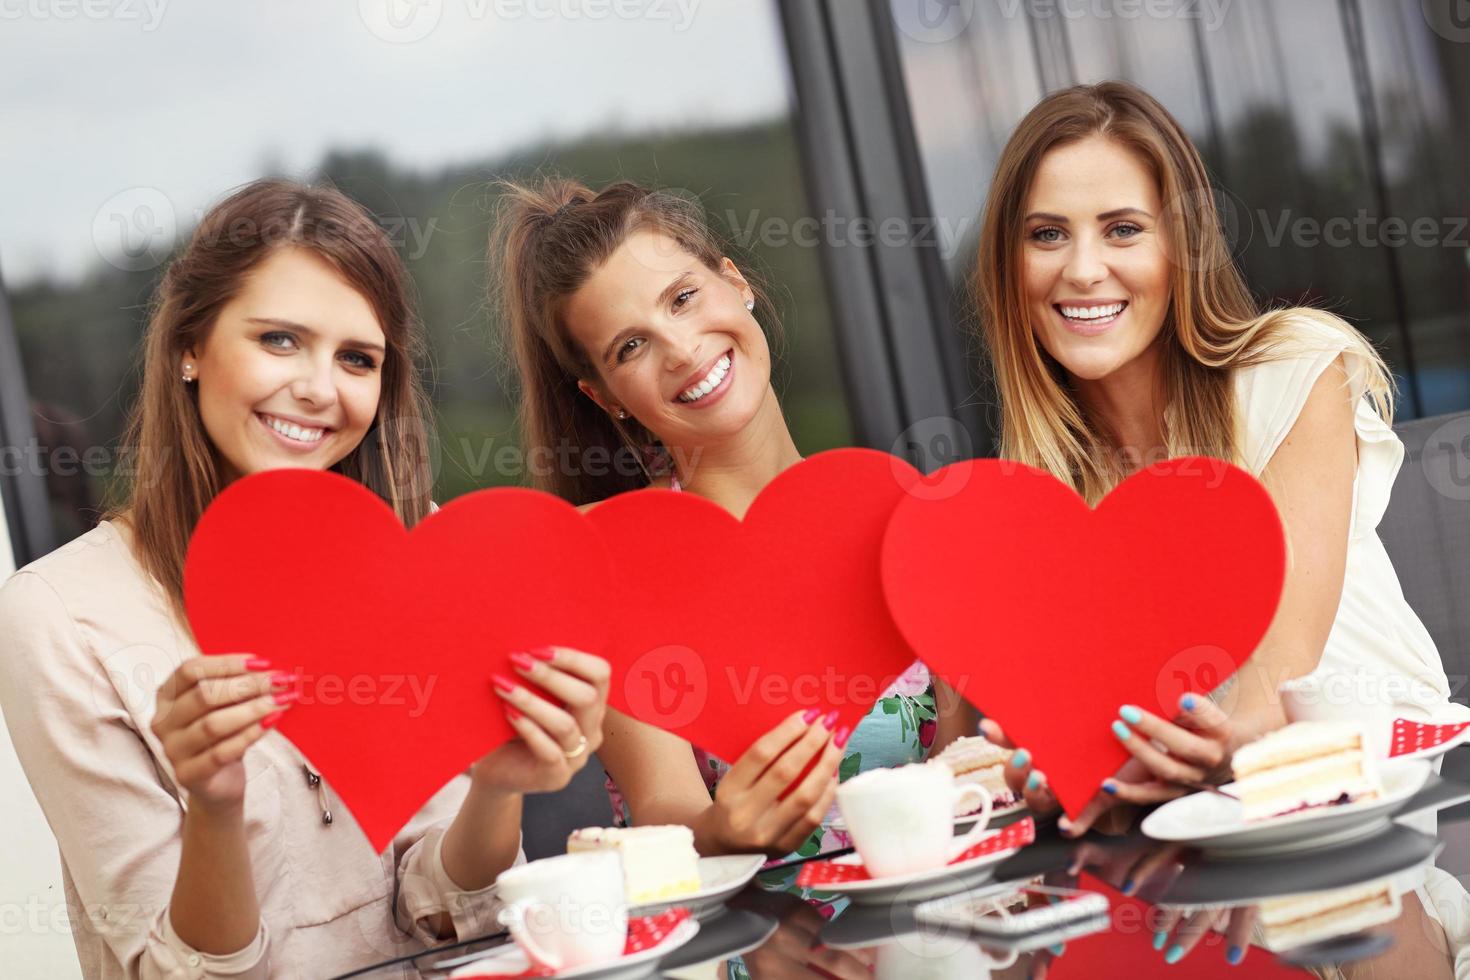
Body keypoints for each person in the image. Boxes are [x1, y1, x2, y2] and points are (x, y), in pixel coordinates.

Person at [0, 179, 611, 979]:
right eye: (280, 340)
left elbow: (445, 910)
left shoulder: (405, 547)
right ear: (190, 345)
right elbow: (166, 970)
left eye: (357, 358)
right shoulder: (58, 615)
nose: (321, 389)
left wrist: (497, 786)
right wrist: (217, 807)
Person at [969, 81, 1467, 973]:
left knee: (1332, 867)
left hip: (1345, 826)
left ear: (1180, 246)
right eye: (1048, 234)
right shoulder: (1035, 503)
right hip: (1168, 868)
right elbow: (1001, 753)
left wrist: (1148, 771)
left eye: (1123, 228)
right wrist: (1027, 770)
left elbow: (1280, 672)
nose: (1083, 269)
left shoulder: (1294, 371)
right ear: (1010, 265)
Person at [490, 178, 973, 862]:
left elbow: (963, 763)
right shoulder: (610, 560)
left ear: (734, 282)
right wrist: (722, 829)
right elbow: (667, 810)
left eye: (683, 299)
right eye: (632, 346)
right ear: (606, 398)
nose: (683, 349)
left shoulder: (898, 513)